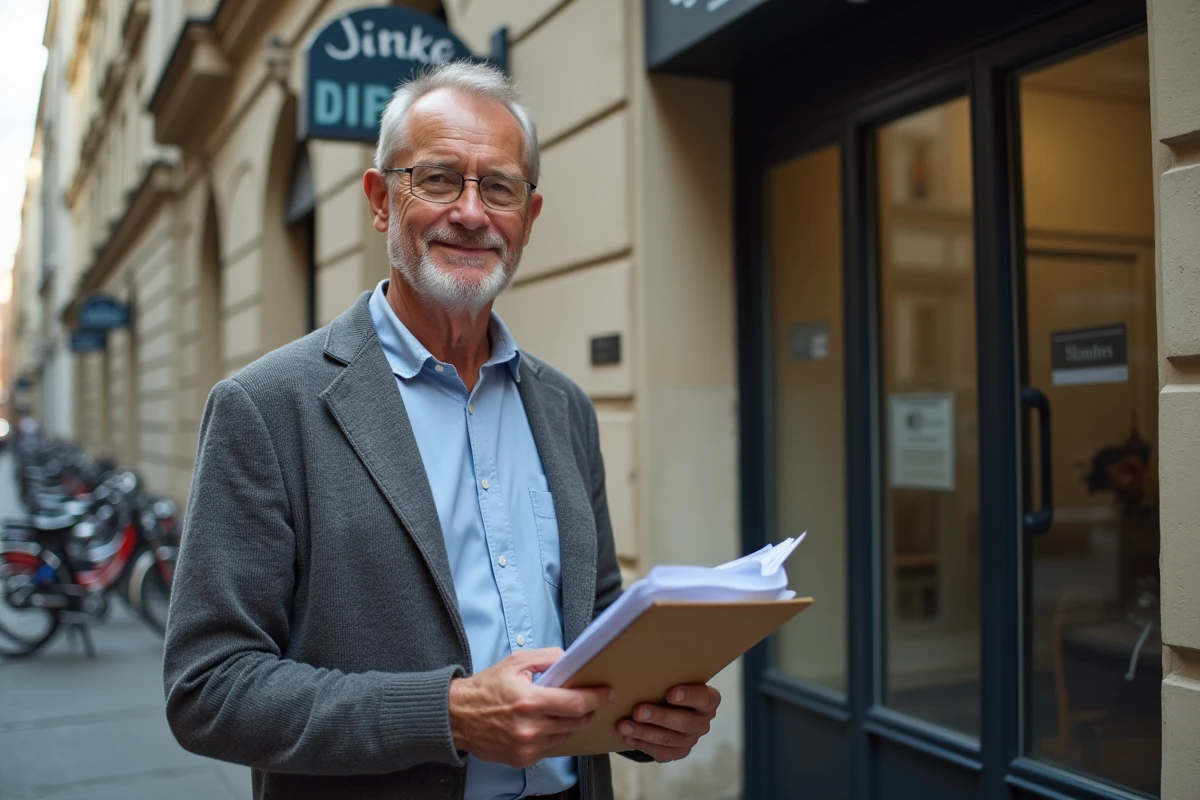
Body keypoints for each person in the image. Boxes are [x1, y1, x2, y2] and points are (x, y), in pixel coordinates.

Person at [163, 62, 721, 800]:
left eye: (498, 186)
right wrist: (447, 714)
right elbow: (209, 689)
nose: (470, 212)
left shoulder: (563, 407)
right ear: (379, 200)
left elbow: (595, 621)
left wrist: (651, 716)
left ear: (530, 215)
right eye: (437, 179)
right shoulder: (268, 408)